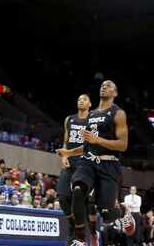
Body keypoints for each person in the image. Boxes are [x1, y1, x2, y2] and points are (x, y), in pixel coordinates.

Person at [57, 80, 130, 246]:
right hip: (88, 162)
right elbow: (88, 145)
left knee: (106, 215)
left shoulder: (118, 113)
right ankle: (80, 238)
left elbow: (123, 145)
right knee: (77, 190)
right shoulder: (91, 115)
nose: (104, 87)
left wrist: (98, 140)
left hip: (108, 164)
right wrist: (69, 152)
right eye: (103, 85)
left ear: (115, 93)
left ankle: (123, 212)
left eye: (109, 85)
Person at [58, 94, 91, 241]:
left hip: (84, 164)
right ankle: (73, 224)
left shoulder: (92, 120)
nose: (81, 101)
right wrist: (65, 155)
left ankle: (80, 236)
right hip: (70, 163)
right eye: (79, 99)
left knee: (79, 200)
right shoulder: (69, 119)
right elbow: (66, 141)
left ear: (90, 104)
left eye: (84, 99)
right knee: (62, 196)